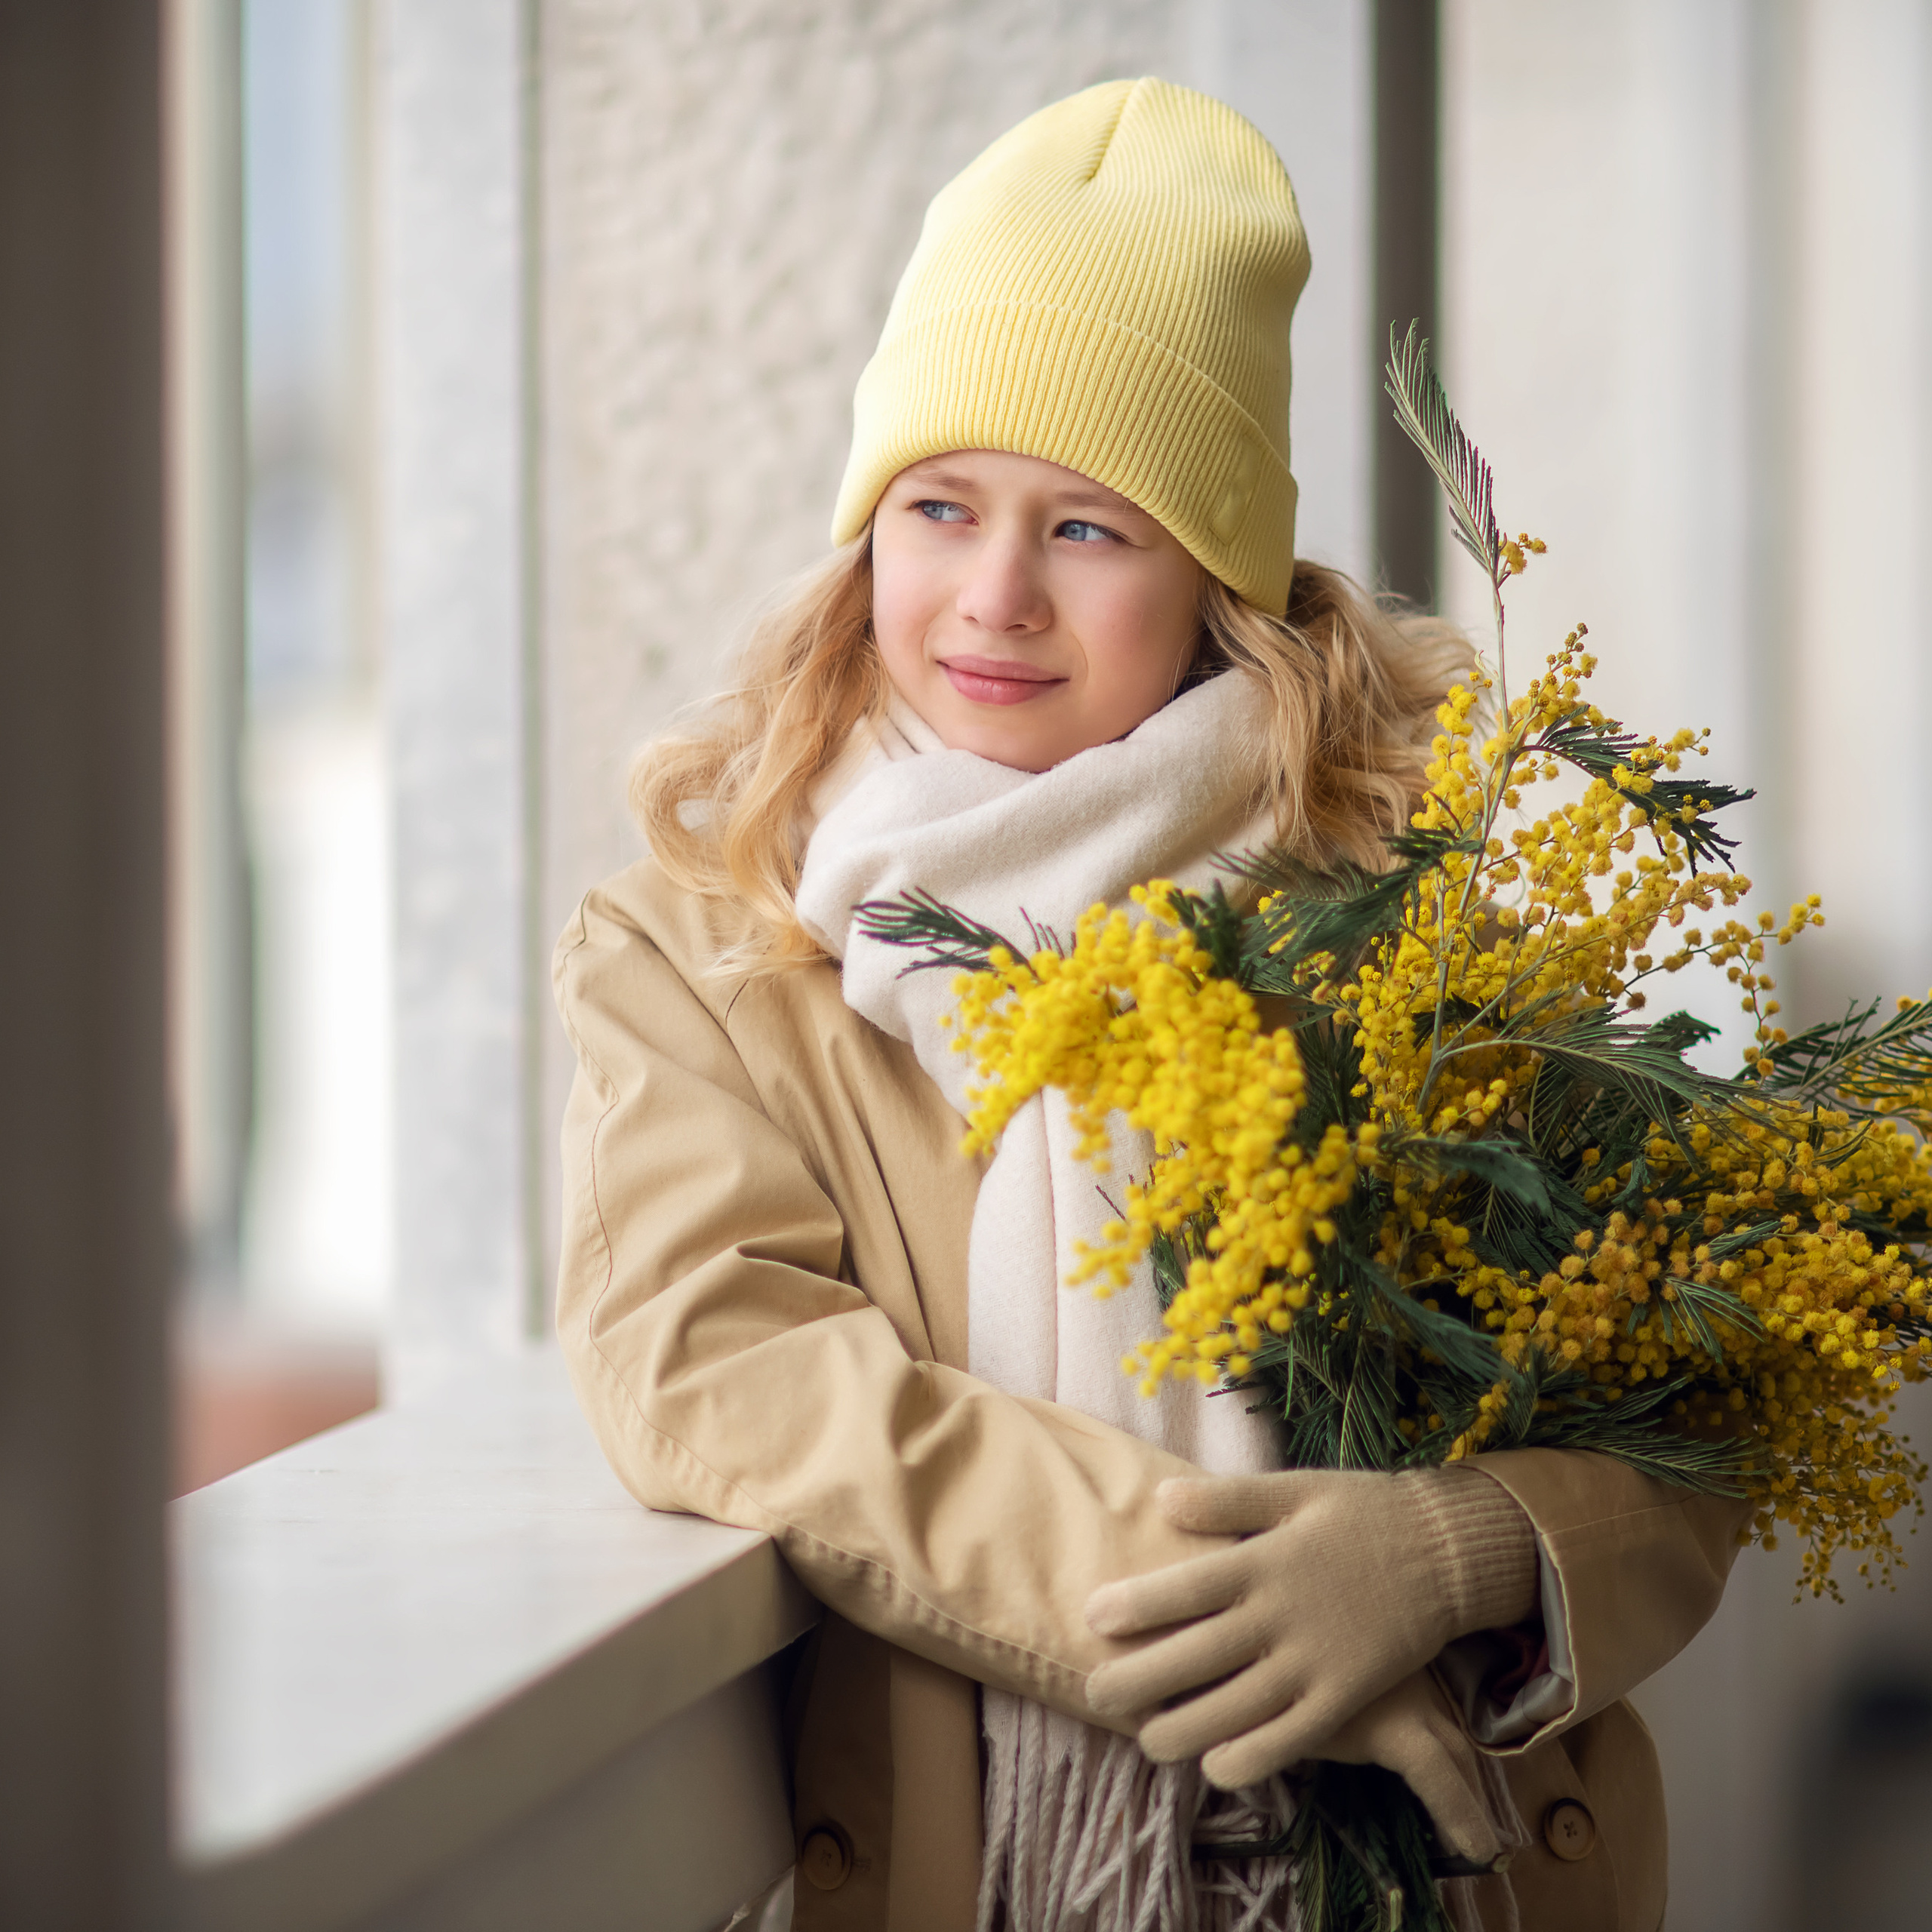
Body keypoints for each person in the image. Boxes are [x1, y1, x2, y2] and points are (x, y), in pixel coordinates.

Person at [553, 78, 1746, 1932]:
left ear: (1215, 581)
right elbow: (727, 1368)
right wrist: (1232, 1616)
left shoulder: (1413, 920)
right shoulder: (701, 946)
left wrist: (1451, 1551)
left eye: (1089, 530)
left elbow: (1685, 1432)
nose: (992, 597)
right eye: (938, 507)